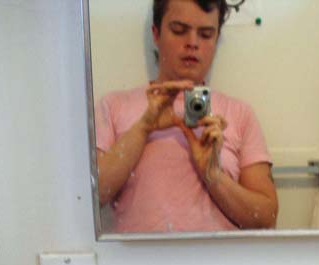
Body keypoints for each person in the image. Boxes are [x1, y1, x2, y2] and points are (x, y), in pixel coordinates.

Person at [95, 0, 278, 233]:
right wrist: (143, 128)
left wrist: (214, 176)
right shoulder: (113, 106)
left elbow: (266, 217)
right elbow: (91, 197)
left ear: (216, 39)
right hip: (139, 257)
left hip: (221, 257)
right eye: (179, 30)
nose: (192, 43)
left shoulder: (240, 114)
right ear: (156, 34)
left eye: (205, 34)